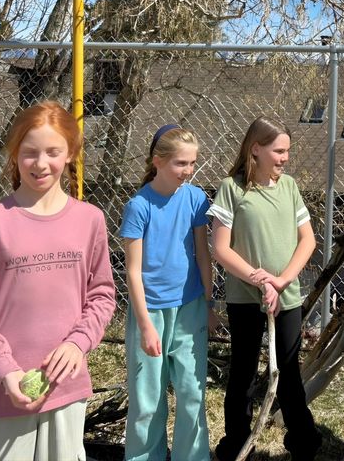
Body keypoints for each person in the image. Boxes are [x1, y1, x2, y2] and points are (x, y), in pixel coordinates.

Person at [0, 101, 116, 461]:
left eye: (53, 152)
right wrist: (4, 369)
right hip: (0, 392)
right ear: (15, 153)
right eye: (29, 152)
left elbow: (101, 296)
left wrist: (78, 344)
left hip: (67, 388)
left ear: (70, 155)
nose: (40, 163)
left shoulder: (89, 219)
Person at [208, 116, 322, 461]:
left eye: (287, 151)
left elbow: (308, 240)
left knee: (288, 372)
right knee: (243, 373)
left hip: (286, 297)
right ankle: (237, 446)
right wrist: (260, 281)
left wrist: (282, 280)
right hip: (245, 298)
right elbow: (221, 248)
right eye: (279, 150)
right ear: (256, 149)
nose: (285, 157)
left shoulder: (289, 187)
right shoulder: (232, 188)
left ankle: (304, 444)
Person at [120, 124, 218, 461]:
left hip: (190, 307)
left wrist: (208, 303)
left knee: (193, 393)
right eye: (181, 163)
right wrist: (145, 323)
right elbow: (132, 272)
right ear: (157, 161)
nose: (188, 171)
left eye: (192, 163)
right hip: (150, 312)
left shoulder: (195, 198)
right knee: (148, 400)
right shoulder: (138, 206)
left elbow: (203, 255)